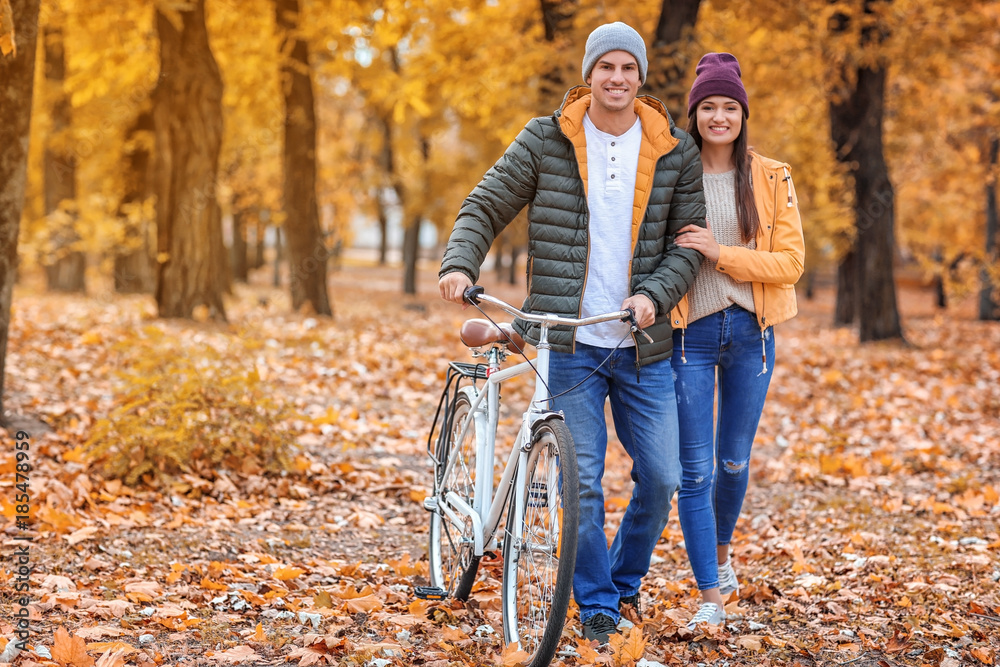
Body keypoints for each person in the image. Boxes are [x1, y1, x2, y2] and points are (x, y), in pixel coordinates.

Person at [439, 22, 705, 643]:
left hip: (642, 345)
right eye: (605, 67)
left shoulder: (674, 149)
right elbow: (484, 205)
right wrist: (459, 262)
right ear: (589, 74)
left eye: (628, 68)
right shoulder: (546, 138)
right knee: (579, 481)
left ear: (642, 78)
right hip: (568, 343)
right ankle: (596, 604)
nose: (616, 78)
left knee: (662, 475)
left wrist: (653, 295)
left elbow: (687, 247)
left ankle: (620, 579)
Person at [670, 52, 805, 628]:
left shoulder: (771, 176)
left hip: (752, 333)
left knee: (733, 461)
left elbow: (791, 263)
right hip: (690, 335)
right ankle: (709, 597)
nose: (719, 116)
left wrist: (721, 253)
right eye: (709, 106)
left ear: (742, 113)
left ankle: (723, 557)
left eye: (729, 106)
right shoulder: (672, 170)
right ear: (694, 112)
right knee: (694, 470)